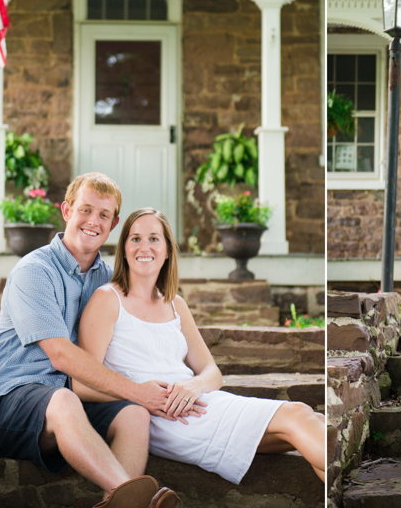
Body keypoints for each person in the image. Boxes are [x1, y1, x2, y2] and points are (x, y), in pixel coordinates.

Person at [73, 207, 326, 485]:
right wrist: (138, 395)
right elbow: (81, 383)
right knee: (299, 415)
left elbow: (211, 372)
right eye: (135, 239)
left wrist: (194, 386)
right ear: (123, 249)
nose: (144, 247)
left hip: (200, 402)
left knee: (311, 423)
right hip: (167, 419)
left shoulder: (175, 303)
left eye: (154, 239)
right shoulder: (107, 299)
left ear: (168, 250)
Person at [0, 173, 181, 508]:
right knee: (63, 400)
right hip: (14, 401)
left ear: (114, 223)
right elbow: (60, 356)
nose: (93, 221)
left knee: (135, 416)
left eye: (104, 215)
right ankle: (136, 495)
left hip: (78, 400)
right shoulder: (35, 271)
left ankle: (116, 504)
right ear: (66, 211)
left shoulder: (111, 281)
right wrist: (137, 390)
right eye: (85, 210)